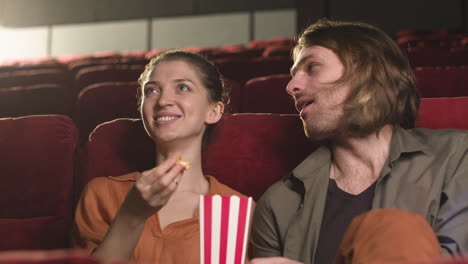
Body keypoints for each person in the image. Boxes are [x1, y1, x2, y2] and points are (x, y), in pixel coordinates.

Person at [250, 19, 468, 264]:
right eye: (293, 76)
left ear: (367, 73)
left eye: (312, 67)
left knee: (395, 228)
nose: (291, 86)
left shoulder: (458, 156)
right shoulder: (279, 203)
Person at [72, 51, 245, 263]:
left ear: (214, 111)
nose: (163, 100)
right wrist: (131, 215)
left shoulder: (238, 210)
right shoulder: (101, 194)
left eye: (182, 87)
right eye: (151, 90)